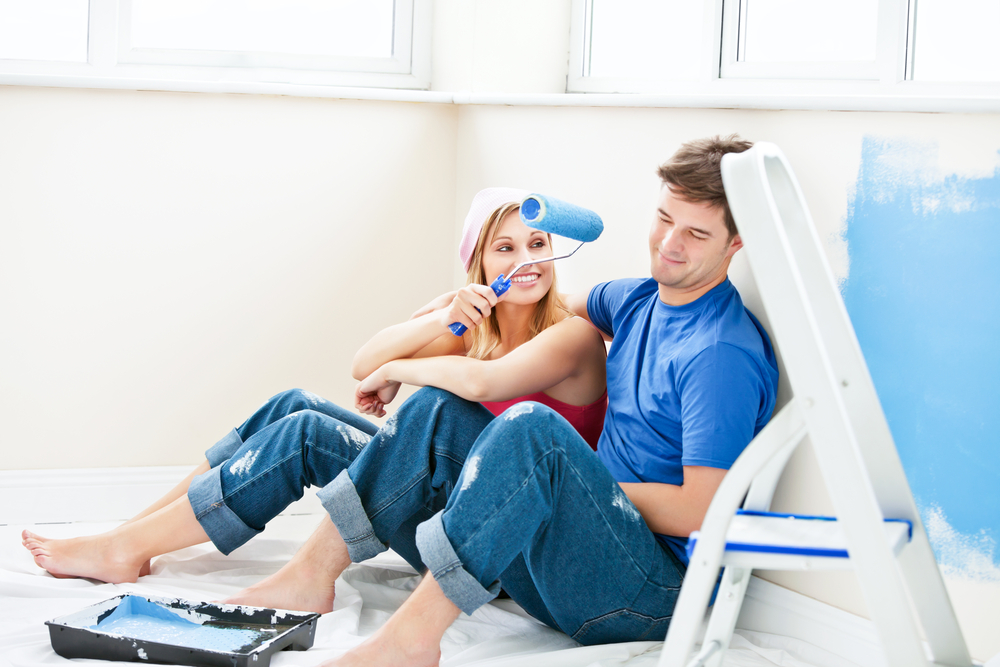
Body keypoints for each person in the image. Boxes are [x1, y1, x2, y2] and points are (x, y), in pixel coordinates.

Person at [217, 134, 779, 667]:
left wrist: (575, 485)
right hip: (570, 554)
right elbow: (539, 299)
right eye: (663, 219)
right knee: (441, 406)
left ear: (737, 242)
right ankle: (311, 576)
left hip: (645, 592)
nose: (669, 244)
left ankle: (412, 639)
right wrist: (457, 302)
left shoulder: (720, 353)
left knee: (532, 429)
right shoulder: (635, 299)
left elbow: (702, 509)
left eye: (696, 235)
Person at [20, 188, 608, 599]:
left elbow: (477, 386)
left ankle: (123, 546)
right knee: (291, 403)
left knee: (309, 434)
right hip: (447, 507)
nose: (526, 260)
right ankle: (130, 538)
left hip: (500, 545)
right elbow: (362, 362)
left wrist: (402, 368)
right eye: (505, 248)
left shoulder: (568, 336)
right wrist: (440, 318)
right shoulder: (474, 327)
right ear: (479, 264)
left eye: (537, 244)